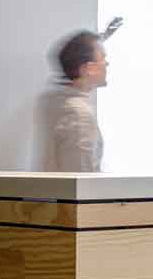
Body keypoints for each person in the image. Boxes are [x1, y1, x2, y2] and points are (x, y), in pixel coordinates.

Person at [40, 28, 107, 172]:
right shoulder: (78, 114)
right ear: (88, 68)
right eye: (103, 58)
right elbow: (81, 178)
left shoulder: (53, 101)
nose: (107, 64)